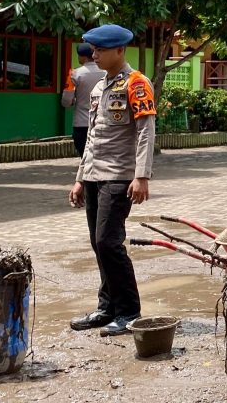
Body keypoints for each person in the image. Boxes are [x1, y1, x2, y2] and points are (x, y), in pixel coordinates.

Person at [66, 24, 156, 337]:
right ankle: (107, 307)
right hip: (93, 174)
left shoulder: (137, 83)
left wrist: (142, 175)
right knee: (98, 243)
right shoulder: (98, 87)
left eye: (101, 50)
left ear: (120, 50)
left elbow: (146, 131)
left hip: (119, 175)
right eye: (93, 50)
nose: (95, 55)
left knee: (108, 241)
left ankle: (129, 311)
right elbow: (92, 136)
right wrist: (80, 178)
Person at [62, 42, 106, 157]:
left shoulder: (75, 74)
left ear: (83, 57)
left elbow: (66, 101)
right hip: (103, 121)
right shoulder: (106, 73)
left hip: (82, 124)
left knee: (85, 156)